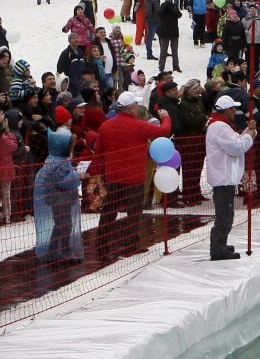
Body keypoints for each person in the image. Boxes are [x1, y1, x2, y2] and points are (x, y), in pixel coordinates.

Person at [94, 91, 172, 260]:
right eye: (135, 105)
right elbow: (164, 131)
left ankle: (101, 244)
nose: (137, 108)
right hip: (134, 177)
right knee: (133, 212)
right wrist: (165, 117)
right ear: (130, 109)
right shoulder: (139, 126)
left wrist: (99, 172)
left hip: (113, 176)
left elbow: (99, 150)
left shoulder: (106, 126)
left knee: (109, 211)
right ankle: (130, 245)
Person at [205, 95, 256, 261]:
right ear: (225, 110)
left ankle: (221, 243)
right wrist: (250, 137)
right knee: (224, 215)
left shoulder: (221, 125)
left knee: (227, 213)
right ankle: (217, 249)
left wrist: (248, 132)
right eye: (233, 109)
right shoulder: (220, 127)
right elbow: (236, 147)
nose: (235, 112)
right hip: (223, 177)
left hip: (225, 176)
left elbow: (235, 141)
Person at [34, 126, 83, 264]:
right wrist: (76, 175)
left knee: (61, 224)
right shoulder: (61, 163)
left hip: (56, 199)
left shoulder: (51, 159)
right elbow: (63, 183)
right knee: (65, 225)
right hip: (61, 199)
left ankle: (56, 250)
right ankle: (60, 251)